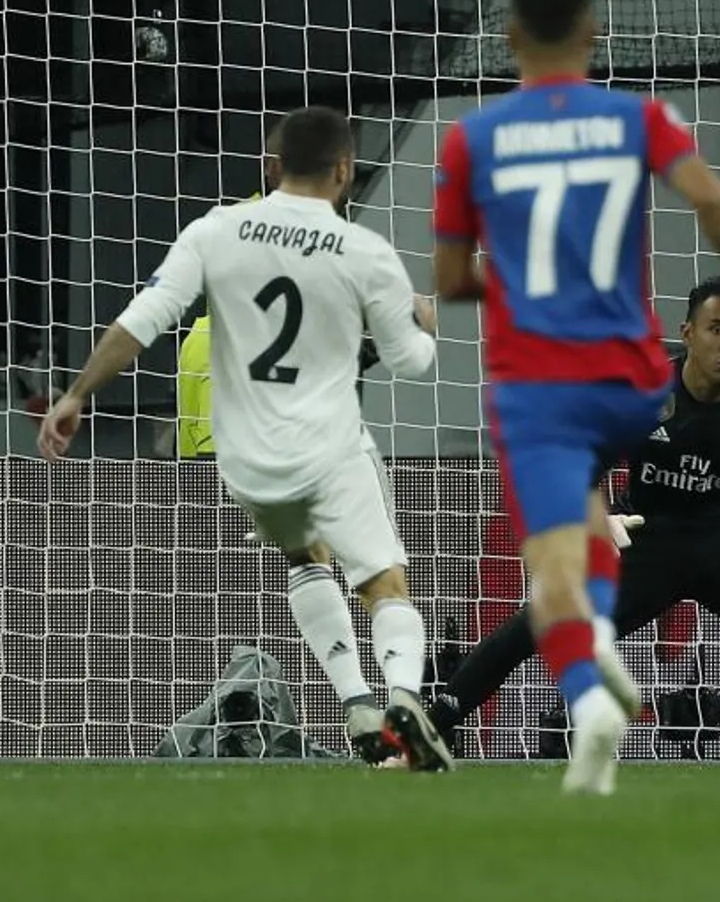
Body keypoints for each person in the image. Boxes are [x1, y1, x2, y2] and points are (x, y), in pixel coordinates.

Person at [432, 0, 720, 796]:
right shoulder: (638, 117)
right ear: (593, 34)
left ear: (510, 37)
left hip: (540, 383)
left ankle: (590, 691)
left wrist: (519, 283)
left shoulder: (470, 139)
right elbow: (715, 205)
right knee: (584, 514)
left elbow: (450, 280)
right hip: (634, 383)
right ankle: (595, 634)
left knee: (551, 572)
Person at [36, 106, 453, 770]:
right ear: (345, 171)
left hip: (251, 450)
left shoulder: (217, 230)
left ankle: (353, 701)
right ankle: (402, 694)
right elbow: (410, 362)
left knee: (307, 559)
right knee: (383, 582)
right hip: (332, 441)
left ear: (272, 164)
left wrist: (76, 393)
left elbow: (140, 321)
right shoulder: (364, 250)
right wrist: (423, 322)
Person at [429, 276, 720, 766]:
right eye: (717, 329)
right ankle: (426, 730)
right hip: (646, 539)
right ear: (688, 333)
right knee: (540, 620)